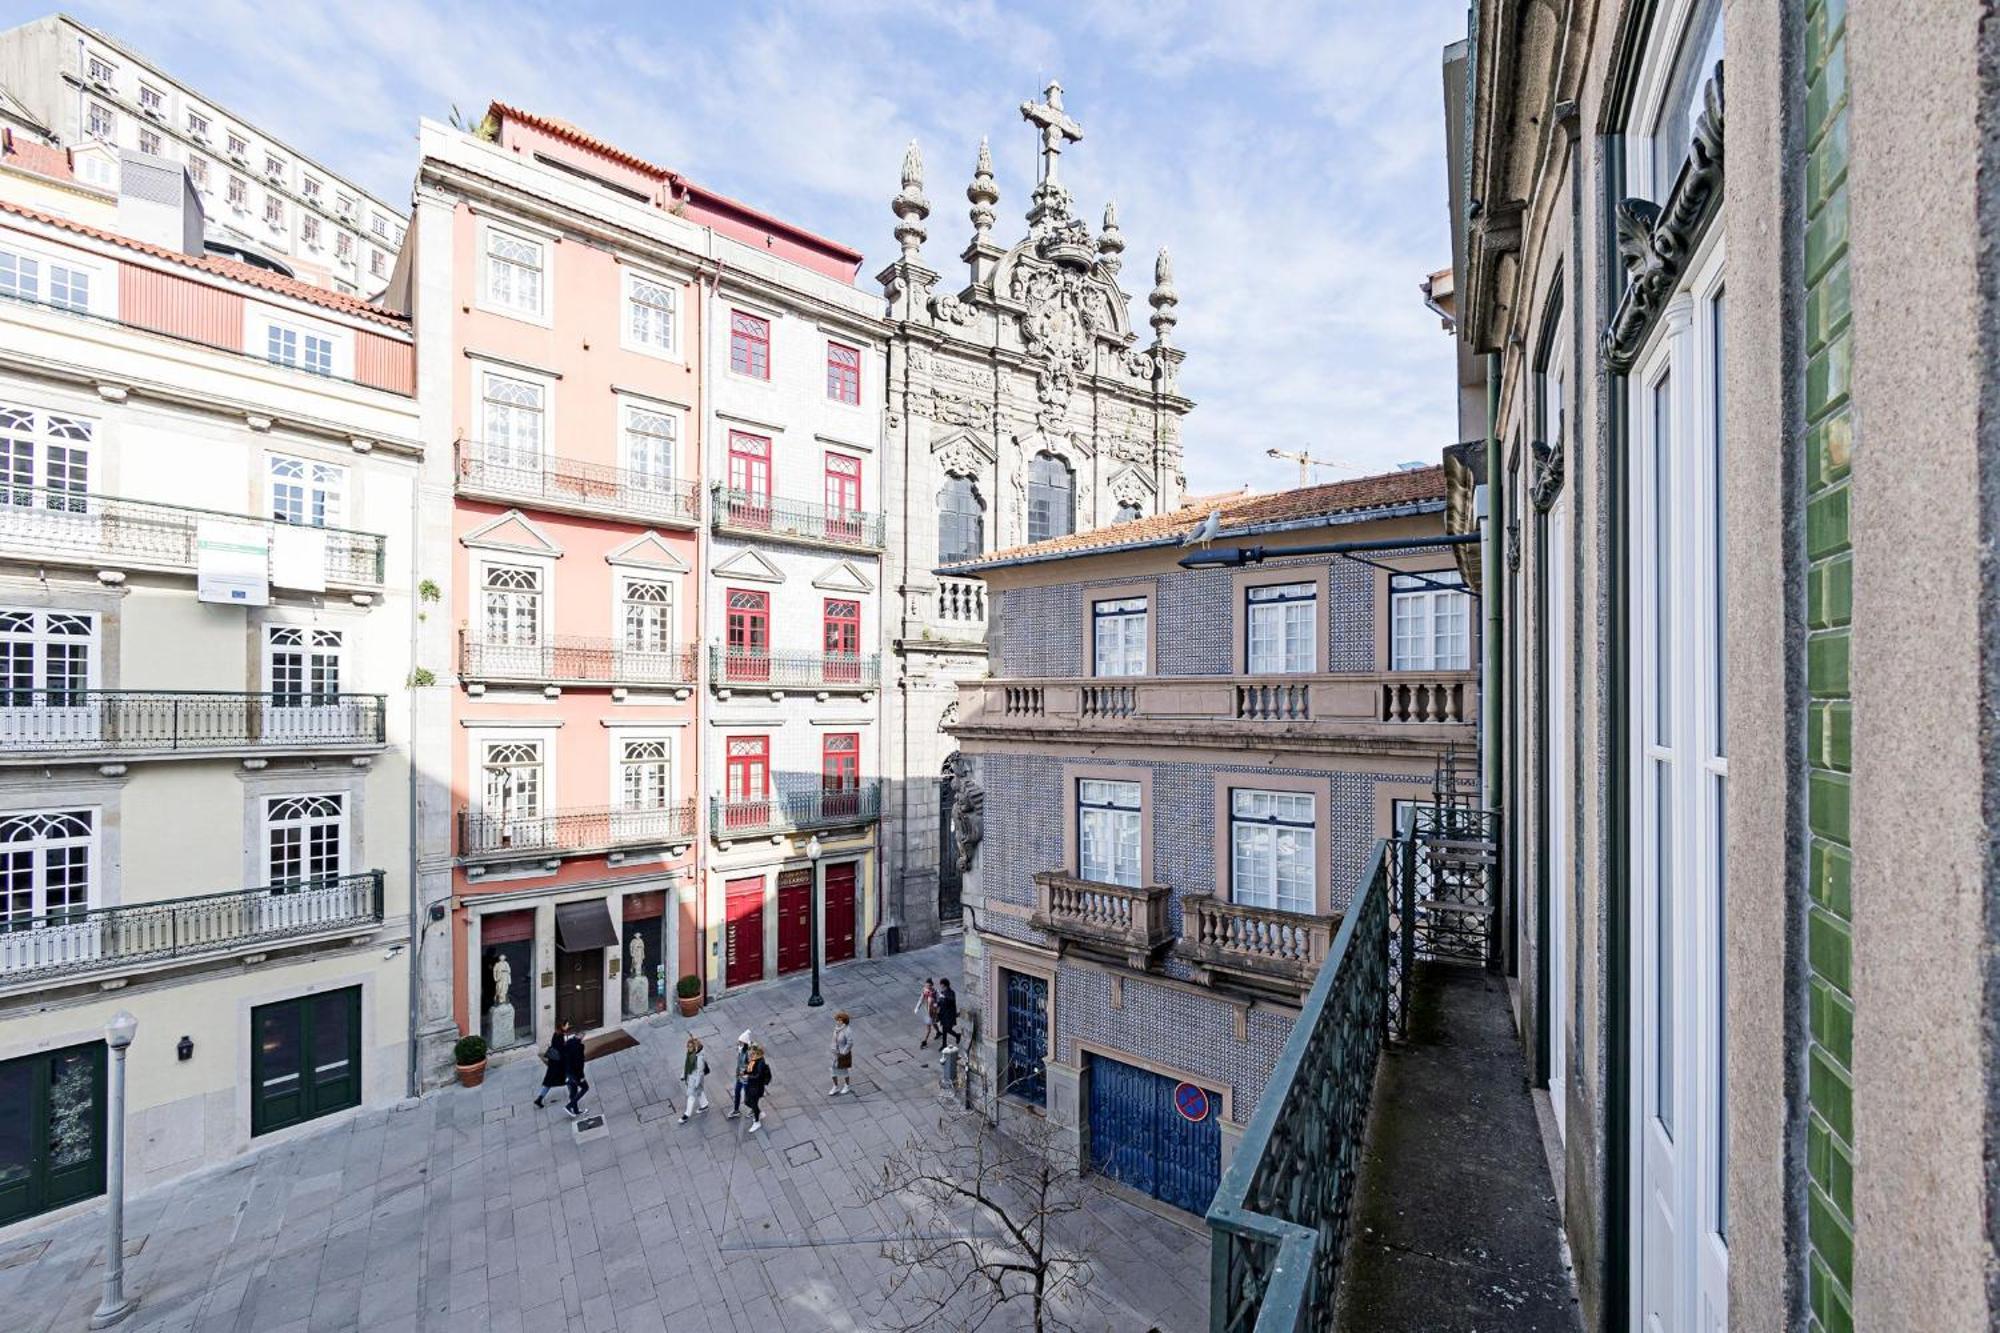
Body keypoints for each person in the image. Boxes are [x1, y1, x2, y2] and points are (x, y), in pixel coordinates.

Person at [532, 1023, 569, 1109]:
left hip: (553, 1063)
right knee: (569, 1078)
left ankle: (539, 1098)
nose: (568, 1026)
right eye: (567, 1025)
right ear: (562, 1026)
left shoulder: (556, 1034)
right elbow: (561, 1050)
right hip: (558, 1064)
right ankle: (573, 1096)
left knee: (549, 1082)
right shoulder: (560, 1036)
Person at [741, 1043, 773, 1132]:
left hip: (756, 1088)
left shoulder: (761, 1063)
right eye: (750, 1052)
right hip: (751, 1086)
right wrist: (745, 1072)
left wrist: (748, 1077)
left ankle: (757, 1122)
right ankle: (759, 1113)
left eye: (752, 1053)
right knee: (747, 1102)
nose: (750, 1054)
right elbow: (749, 1068)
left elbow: (758, 1076)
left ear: (758, 1053)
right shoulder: (753, 1060)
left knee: (753, 1103)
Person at [679, 1034, 710, 1124]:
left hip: (696, 1078)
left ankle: (686, 1115)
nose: (688, 1048)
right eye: (687, 1046)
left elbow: (700, 1072)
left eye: (690, 1047)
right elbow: (687, 1064)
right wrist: (683, 1075)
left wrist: (696, 1083)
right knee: (699, 1092)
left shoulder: (699, 1058)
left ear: (695, 1047)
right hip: (691, 1077)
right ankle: (704, 1105)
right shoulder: (690, 1053)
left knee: (691, 1095)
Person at [561, 1024, 589, 1117]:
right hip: (575, 1074)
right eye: (583, 1034)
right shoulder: (579, 1046)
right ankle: (569, 1106)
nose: (584, 1036)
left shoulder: (569, 1042)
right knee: (585, 1087)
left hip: (567, 1071)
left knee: (574, 1091)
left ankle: (576, 1111)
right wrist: (581, 1077)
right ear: (579, 1034)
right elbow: (579, 1063)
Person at [726, 1029, 753, 1120]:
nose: (738, 1043)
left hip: (745, 1078)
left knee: (747, 1096)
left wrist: (745, 1073)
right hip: (739, 1076)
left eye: (740, 1041)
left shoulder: (748, 1053)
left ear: (745, 1042)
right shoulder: (740, 1049)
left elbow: (751, 1067)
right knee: (737, 1092)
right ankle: (736, 1110)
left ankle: (754, 1109)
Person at [828, 1011, 854, 1097]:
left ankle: (847, 1086)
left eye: (840, 1020)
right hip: (834, 1053)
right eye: (837, 1020)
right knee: (832, 1070)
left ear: (844, 1021)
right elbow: (834, 1040)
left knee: (843, 1071)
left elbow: (850, 1042)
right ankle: (835, 1086)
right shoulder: (836, 1028)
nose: (838, 1022)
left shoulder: (847, 1030)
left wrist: (844, 1052)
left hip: (842, 1054)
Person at [934, 978, 960, 1046]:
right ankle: (944, 1044)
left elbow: (951, 1001)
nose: (940, 986)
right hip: (944, 1014)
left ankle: (957, 1035)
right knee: (944, 1030)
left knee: (948, 1029)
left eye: (941, 984)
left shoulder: (951, 993)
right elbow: (940, 1001)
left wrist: (944, 998)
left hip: (950, 1015)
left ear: (944, 985)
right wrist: (937, 1004)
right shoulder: (942, 992)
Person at [916, 978, 939, 1049]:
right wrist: (917, 1007)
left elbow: (939, 1000)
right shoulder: (925, 991)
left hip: (933, 1012)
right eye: (926, 985)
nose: (927, 987)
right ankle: (938, 1032)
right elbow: (921, 999)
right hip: (927, 1011)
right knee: (933, 1023)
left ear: (932, 985)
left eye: (929, 986)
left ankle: (924, 1041)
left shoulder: (935, 992)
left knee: (929, 1029)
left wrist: (936, 1005)